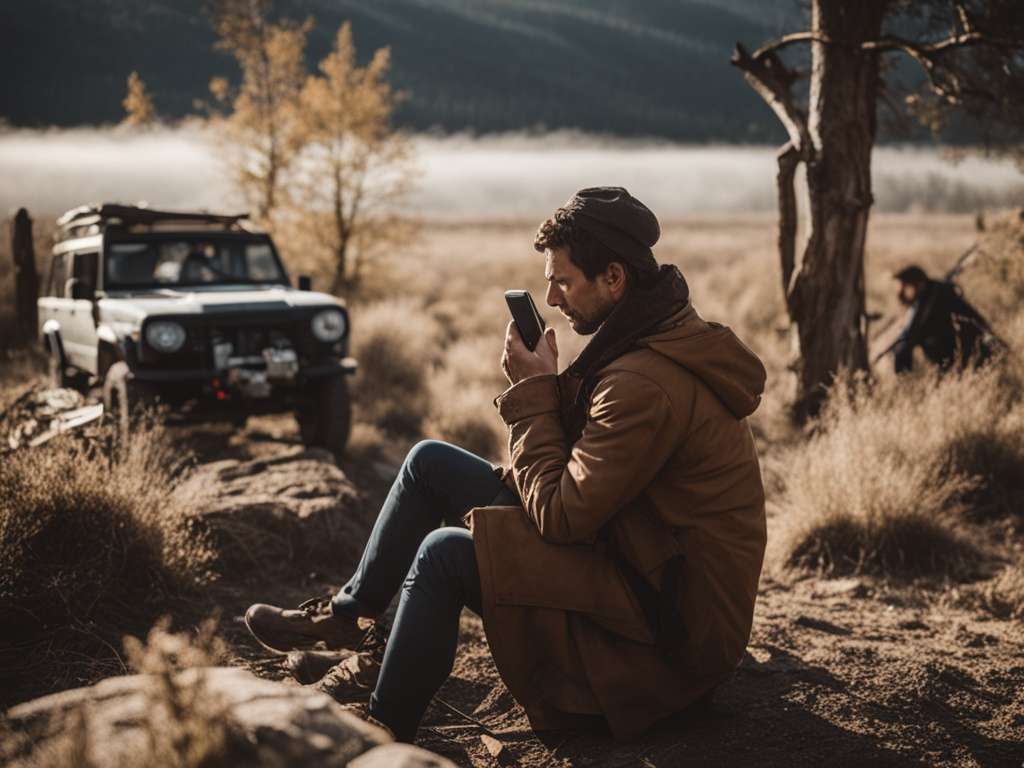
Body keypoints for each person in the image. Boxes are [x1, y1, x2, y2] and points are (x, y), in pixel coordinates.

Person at [243, 187, 768, 743]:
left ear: (614, 277)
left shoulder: (642, 382)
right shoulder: (650, 336)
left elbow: (563, 518)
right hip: (635, 557)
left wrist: (535, 393)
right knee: (429, 463)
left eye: (563, 282)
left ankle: (380, 733)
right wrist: (547, 395)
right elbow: (589, 476)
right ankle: (350, 620)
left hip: (666, 634)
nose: (554, 299)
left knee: (444, 554)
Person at [889, 265, 996, 374]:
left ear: (918, 284)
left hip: (971, 355)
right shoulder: (931, 293)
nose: (902, 292)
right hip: (966, 355)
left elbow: (911, 335)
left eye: (905, 286)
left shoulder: (932, 298)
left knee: (904, 348)